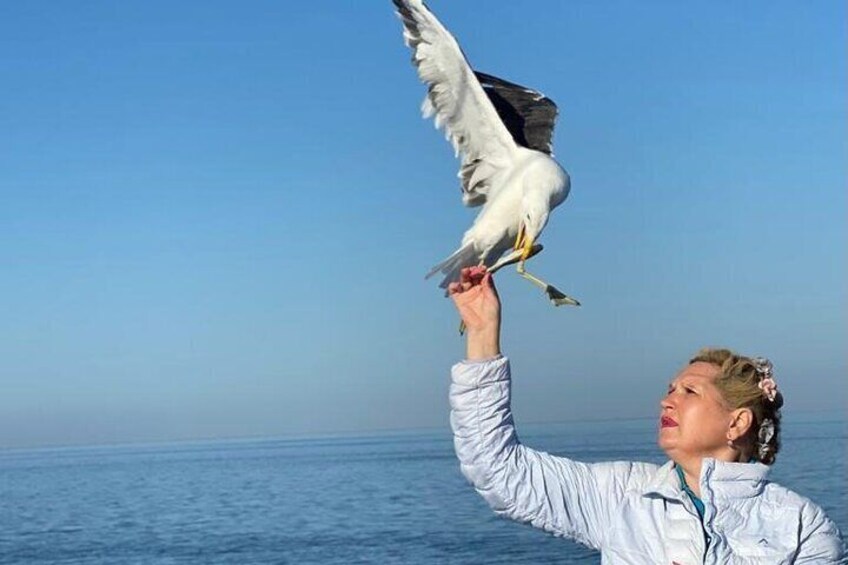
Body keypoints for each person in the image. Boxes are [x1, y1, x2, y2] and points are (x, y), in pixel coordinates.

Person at [447, 266, 846, 564]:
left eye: (689, 391)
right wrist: (483, 334)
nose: (666, 401)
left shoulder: (800, 525)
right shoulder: (622, 495)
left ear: (737, 423)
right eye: (670, 389)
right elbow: (498, 468)